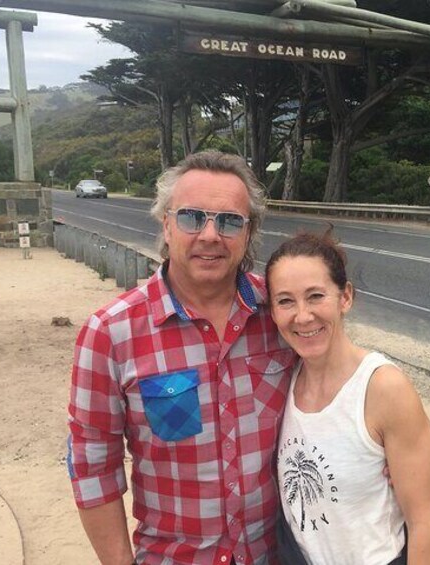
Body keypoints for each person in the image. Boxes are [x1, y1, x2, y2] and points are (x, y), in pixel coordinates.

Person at [67, 151, 295, 565]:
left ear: (249, 233)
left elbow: (336, 388)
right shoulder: (111, 334)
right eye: (192, 217)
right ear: (166, 223)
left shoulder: (280, 315)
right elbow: (93, 468)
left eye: (229, 221)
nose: (210, 235)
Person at [265, 231, 430, 565]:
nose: (302, 316)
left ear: (345, 298)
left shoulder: (383, 388)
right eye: (285, 300)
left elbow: (424, 524)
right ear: (272, 311)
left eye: (315, 296)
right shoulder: (282, 380)